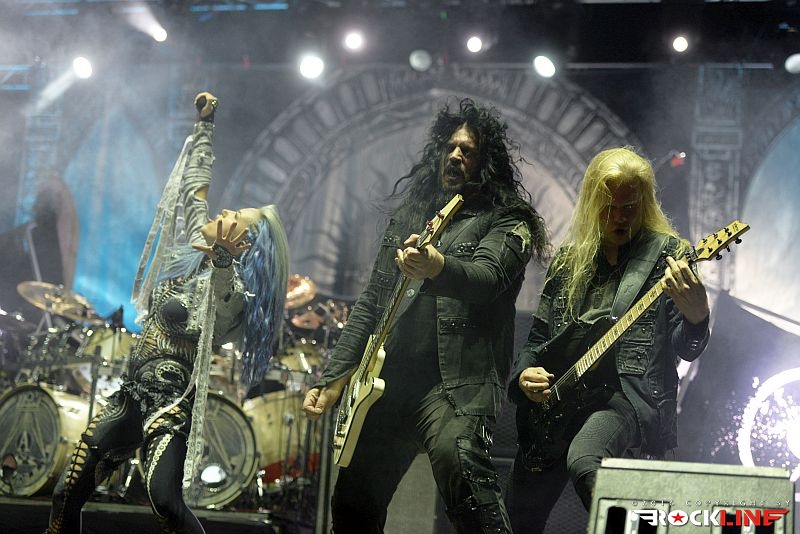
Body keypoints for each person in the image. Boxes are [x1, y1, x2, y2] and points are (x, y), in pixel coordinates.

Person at [46, 92, 290, 533]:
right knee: (66, 495)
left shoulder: (234, 293)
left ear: (245, 244)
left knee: (166, 505)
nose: (224, 211)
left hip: (171, 406)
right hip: (131, 396)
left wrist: (222, 261)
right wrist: (205, 127)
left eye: (236, 215)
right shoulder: (193, 254)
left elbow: (220, 297)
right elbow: (195, 192)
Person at [303, 98, 549, 533]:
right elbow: (372, 301)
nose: (455, 155)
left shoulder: (509, 220)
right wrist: (333, 377)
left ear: (486, 162)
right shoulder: (413, 215)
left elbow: (488, 278)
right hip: (389, 383)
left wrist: (438, 266)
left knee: (464, 479)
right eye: (450, 147)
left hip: (457, 386)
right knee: (353, 501)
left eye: (467, 150)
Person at [506, 147, 710, 532]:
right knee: (517, 519)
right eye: (609, 207)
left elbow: (686, 347)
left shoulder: (669, 256)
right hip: (559, 403)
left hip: (625, 397)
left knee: (586, 459)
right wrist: (524, 375)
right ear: (591, 204)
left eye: (630, 207)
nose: (619, 217)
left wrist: (697, 315)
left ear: (645, 203)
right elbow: (538, 340)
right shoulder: (568, 260)